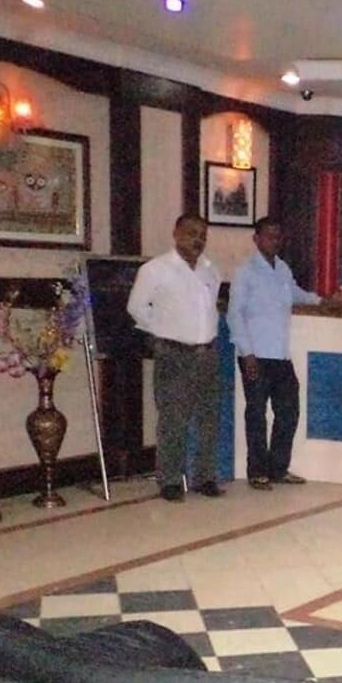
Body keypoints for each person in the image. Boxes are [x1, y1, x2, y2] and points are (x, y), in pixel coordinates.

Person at [127, 213, 225, 502]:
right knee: (173, 420)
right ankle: (169, 480)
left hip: (207, 353)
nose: (198, 240)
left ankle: (204, 477)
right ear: (176, 233)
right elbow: (136, 308)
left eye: (203, 235)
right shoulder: (155, 269)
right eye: (192, 233)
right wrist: (162, 330)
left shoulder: (210, 270)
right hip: (174, 355)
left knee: (208, 419)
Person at [227, 215, 321, 490]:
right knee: (257, 414)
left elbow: (296, 293)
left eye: (278, 236)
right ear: (256, 239)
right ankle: (257, 471)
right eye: (269, 235)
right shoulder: (245, 272)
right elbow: (234, 314)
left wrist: (322, 301)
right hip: (255, 354)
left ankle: (278, 469)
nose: (274, 240)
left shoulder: (282, 268)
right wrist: (246, 353)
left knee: (288, 412)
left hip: (280, 355)